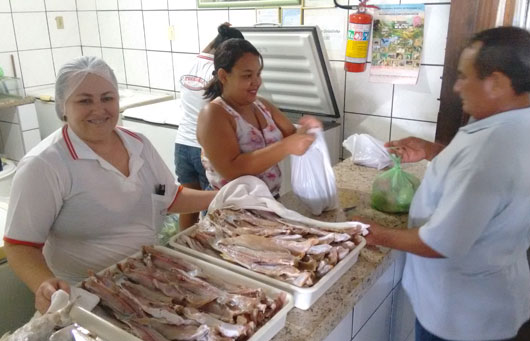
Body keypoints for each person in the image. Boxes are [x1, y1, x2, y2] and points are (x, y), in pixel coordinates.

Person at [361, 26, 530, 341]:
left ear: (497, 82)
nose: (457, 87)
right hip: (488, 295)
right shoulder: (527, 123)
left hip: (458, 313)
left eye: (463, 76)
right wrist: (431, 151)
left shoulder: (489, 150)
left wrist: (373, 232)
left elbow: (441, 243)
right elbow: (490, 185)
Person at [3, 57, 216, 314]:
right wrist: (44, 283)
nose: (99, 109)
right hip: (83, 299)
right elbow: (20, 245)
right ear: (63, 108)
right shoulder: (45, 165)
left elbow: (166, 196)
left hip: (147, 282)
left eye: (107, 98)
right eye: (84, 100)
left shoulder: (139, 145)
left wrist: (222, 196)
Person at [197, 38, 321, 197]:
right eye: (247, 75)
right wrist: (285, 147)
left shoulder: (261, 105)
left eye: (258, 74)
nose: (256, 82)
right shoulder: (214, 114)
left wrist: (309, 129)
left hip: (269, 203)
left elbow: (292, 135)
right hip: (233, 210)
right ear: (223, 76)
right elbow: (231, 169)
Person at [174, 23, 244, 230]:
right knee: (211, 209)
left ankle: (184, 249)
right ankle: (206, 253)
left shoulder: (192, 63)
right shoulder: (221, 75)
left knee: (188, 206)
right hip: (206, 150)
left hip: (182, 147)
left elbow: (208, 50)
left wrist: (221, 32)